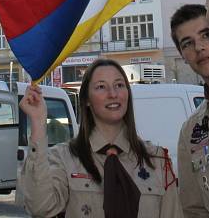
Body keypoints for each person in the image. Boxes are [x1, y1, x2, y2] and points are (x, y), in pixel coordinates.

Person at [19, 58, 181, 218]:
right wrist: (38, 123)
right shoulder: (63, 159)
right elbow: (40, 207)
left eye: (119, 85)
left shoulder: (156, 161)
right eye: (101, 87)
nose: (113, 94)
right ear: (87, 100)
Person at [170, 3, 209, 218]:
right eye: (188, 43)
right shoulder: (191, 131)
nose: (199, 47)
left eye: (206, 35)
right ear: (183, 56)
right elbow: (193, 208)